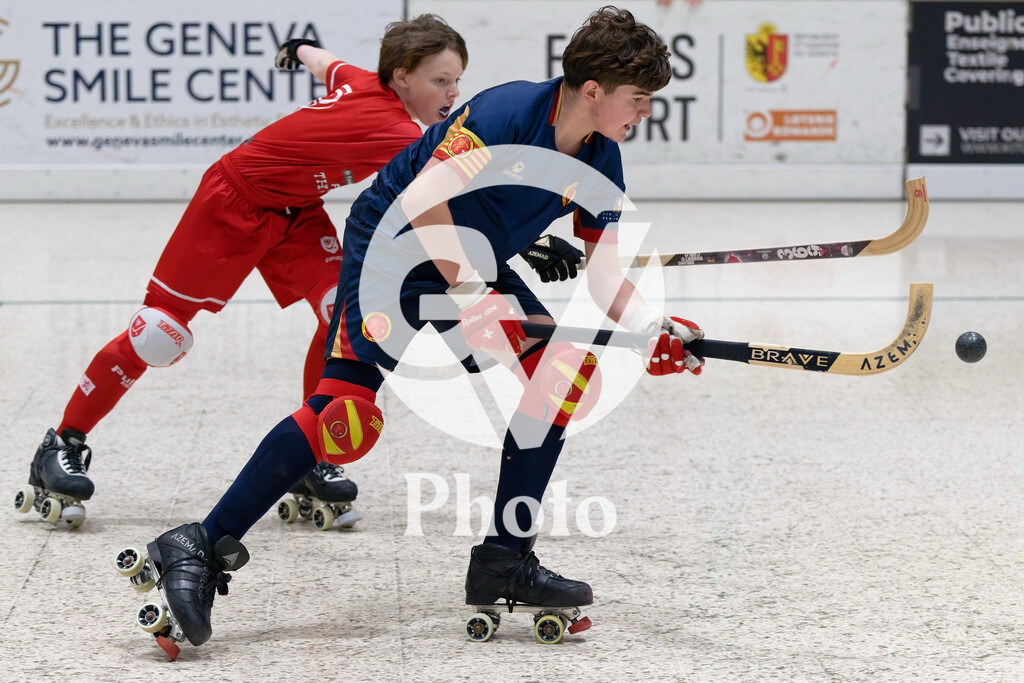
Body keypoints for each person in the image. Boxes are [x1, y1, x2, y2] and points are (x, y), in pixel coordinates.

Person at [135, 6, 704, 650]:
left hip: (473, 261)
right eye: (639, 98)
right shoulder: (503, 116)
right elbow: (423, 203)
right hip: (393, 246)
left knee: (558, 376)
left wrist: (657, 327)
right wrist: (472, 293)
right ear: (594, 90)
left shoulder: (601, 160)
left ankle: (503, 560)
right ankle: (197, 546)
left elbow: (605, 277)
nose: (645, 112)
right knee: (341, 416)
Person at [19, 15, 470, 528]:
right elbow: (450, 196)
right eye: (441, 80)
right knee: (159, 335)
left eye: (457, 80)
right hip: (232, 204)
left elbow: (326, 63)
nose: (453, 92)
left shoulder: (362, 81)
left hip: (295, 213)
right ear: (402, 76)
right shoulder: (397, 131)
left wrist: (299, 48)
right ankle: (62, 442)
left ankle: (309, 454)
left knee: (338, 313)